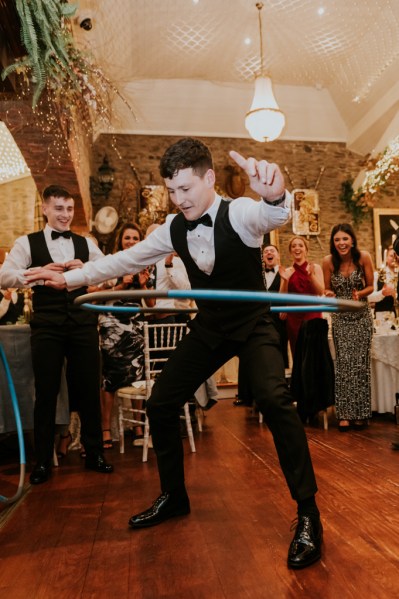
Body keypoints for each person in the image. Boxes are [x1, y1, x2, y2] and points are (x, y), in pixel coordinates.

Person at [24, 138, 322, 569]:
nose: (179, 198)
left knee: (275, 400)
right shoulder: (171, 227)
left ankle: (309, 514)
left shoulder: (238, 212)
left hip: (253, 323)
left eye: (186, 188)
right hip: (210, 325)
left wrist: (275, 194)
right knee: (161, 403)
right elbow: (124, 261)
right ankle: (174, 496)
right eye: (172, 190)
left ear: (209, 178)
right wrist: (71, 281)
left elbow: (271, 213)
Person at [0, 185, 113, 484]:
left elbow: (110, 272)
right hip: (47, 326)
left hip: (83, 323)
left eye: (69, 209)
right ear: (46, 209)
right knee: (46, 392)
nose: (65, 215)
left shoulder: (86, 242)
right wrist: (37, 272)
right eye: (59, 208)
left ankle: (96, 453)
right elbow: (4, 275)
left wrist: (87, 269)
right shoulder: (27, 243)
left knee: (89, 389)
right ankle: (43, 462)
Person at [95, 222, 155, 449]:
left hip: (135, 325)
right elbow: (93, 292)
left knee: (137, 376)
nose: (131, 241)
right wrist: (119, 285)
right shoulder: (110, 262)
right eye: (127, 238)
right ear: (120, 239)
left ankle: (138, 426)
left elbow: (151, 303)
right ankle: (106, 429)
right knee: (109, 379)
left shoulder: (144, 264)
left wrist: (142, 284)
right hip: (111, 324)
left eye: (135, 238)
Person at [322, 223, 374, 432]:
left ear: (352, 240)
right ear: (333, 243)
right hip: (341, 318)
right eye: (337, 240)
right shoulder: (327, 261)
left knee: (360, 365)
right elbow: (327, 288)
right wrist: (329, 294)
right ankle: (344, 415)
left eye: (345, 239)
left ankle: (361, 414)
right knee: (344, 365)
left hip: (361, 316)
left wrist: (360, 294)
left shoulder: (364, 257)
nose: (341, 243)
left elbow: (372, 286)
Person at [234, 243, 288, 407]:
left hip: (278, 318)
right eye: (265, 252)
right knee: (251, 353)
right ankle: (248, 394)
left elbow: (287, 295)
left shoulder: (285, 272)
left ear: (278, 256)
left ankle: (278, 392)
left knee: (278, 353)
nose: (269, 253)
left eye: (272, 251)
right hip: (258, 317)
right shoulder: (257, 273)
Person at [279, 236, 324, 358]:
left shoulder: (316, 268)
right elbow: (282, 297)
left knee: (315, 352)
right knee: (298, 353)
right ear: (290, 251)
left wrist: (311, 276)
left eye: (300, 245)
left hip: (313, 314)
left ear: (306, 250)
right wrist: (285, 280)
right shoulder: (288, 271)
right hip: (294, 317)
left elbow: (320, 292)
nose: (297, 248)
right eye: (293, 246)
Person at [368, 246, 398, 318]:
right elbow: (369, 296)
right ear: (386, 258)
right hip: (381, 316)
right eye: (391, 256)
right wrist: (382, 293)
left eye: (396, 255)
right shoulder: (378, 275)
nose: (394, 258)